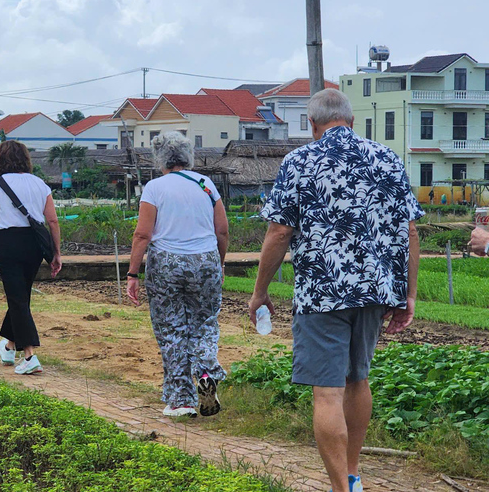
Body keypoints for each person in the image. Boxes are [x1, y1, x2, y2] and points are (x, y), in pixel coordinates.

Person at [249, 89, 423, 492]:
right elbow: (410, 230)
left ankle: (340, 489)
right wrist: (408, 294)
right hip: (375, 291)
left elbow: (278, 232)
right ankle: (354, 474)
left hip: (321, 292)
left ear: (312, 125)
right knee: (357, 380)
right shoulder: (385, 158)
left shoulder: (300, 160)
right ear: (352, 120)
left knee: (327, 392)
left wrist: (259, 292)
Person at [126, 131, 229, 418]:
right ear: (187, 156)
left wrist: (133, 273)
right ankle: (206, 372)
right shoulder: (206, 185)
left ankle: (181, 399)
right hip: (206, 259)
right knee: (205, 322)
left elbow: (143, 234)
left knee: (172, 329)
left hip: (168, 263)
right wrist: (218, 262)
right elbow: (222, 230)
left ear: (159, 157)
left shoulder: (155, 188)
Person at [0, 140, 62, 375]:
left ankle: (30, 354)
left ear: (1, 159)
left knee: (17, 298)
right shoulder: (40, 184)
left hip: (9, 243)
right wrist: (56, 252)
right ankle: (10, 347)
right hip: (34, 244)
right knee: (21, 295)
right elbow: (52, 220)